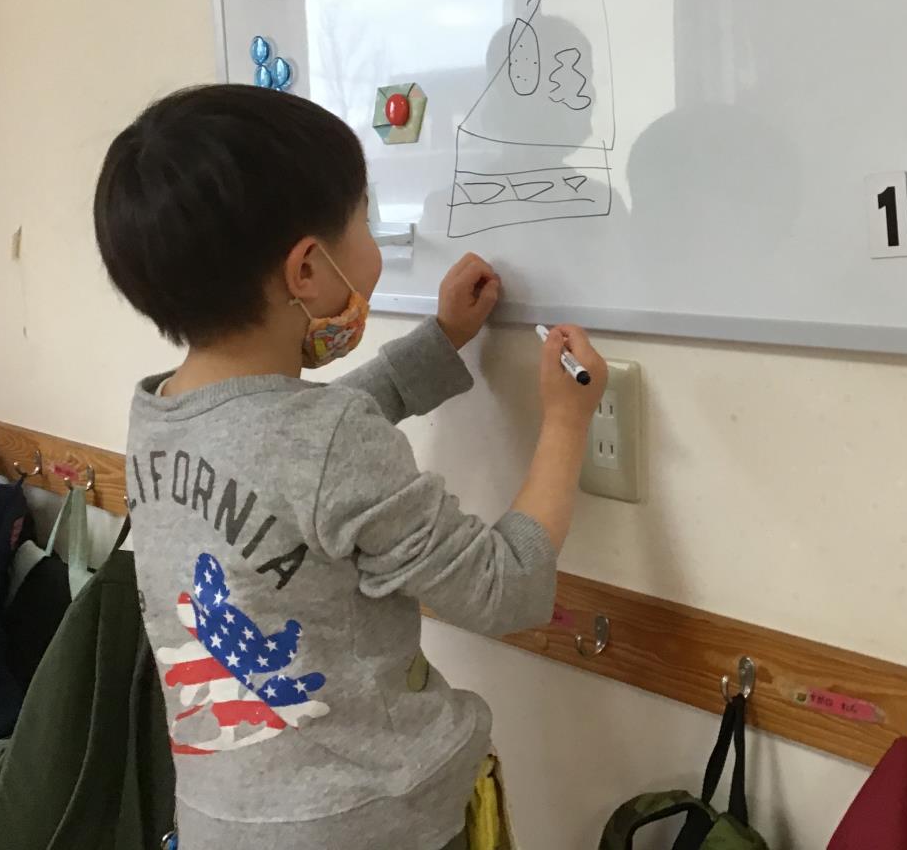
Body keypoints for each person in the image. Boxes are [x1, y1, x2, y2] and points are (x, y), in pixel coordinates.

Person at [92, 83, 606, 850]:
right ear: (306, 269)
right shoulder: (327, 439)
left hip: (219, 824)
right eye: (364, 218)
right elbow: (505, 587)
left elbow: (289, 452)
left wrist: (439, 341)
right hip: (375, 825)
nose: (372, 238)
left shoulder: (160, 414)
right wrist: (566, 420)